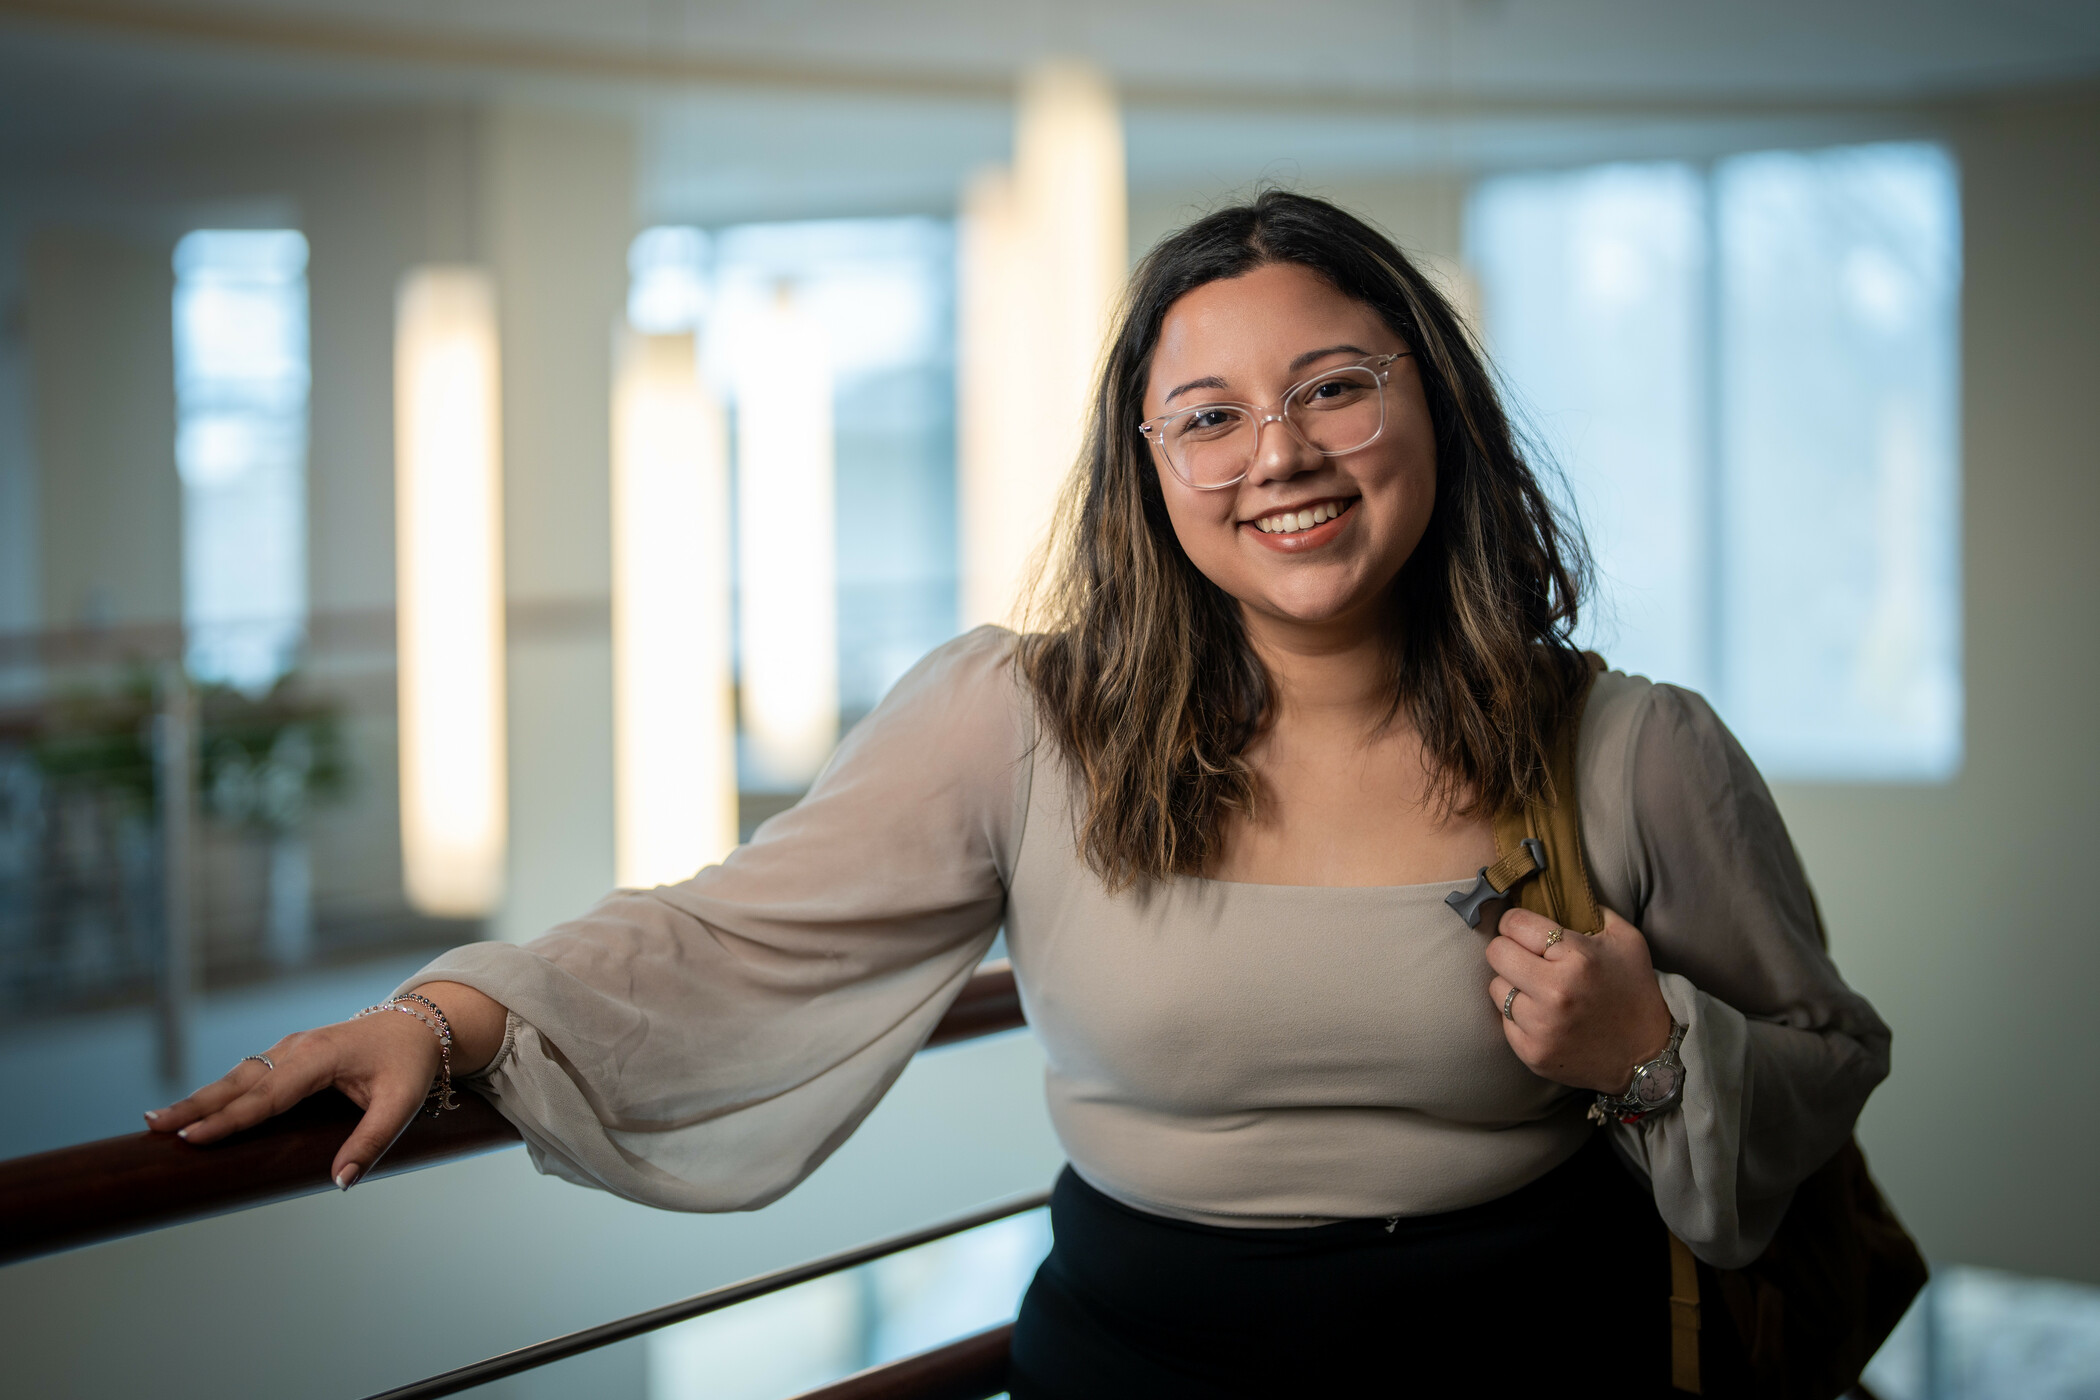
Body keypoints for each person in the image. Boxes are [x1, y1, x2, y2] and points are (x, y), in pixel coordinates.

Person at [148, 191, 1890, 1396]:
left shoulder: (1631, 746)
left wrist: (1652, 1051)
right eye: (1205, 416)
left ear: (1431, 404)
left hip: (1534, 1374)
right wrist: (445, 1019)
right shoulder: (1020, 716)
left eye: (1334, 388)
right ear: (1150, 470)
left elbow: (1824, 1057)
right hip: (1135, 1377)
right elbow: (735, 933)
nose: (1274, 453)